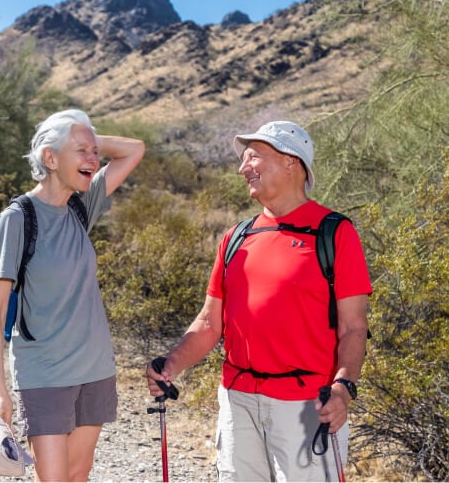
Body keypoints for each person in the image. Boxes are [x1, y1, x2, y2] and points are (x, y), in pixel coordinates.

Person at [146, 120, 371, 481]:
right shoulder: (236, 238)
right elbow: (209, 323)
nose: (242, 167)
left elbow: (353, 327)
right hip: (238, 402)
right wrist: (171, 364)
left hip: (306, 405)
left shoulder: (335, 233)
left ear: (291, 161)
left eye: (253, 157)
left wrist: (343, 388)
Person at [0, 109, 145, 482]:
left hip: (94, 367)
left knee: (79, 473)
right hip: (45, 372)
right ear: (50, 159)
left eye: (94, 152)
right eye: (81, 152)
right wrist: (0, 395)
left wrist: (84, 139)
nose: (94, 160)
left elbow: (134, 150)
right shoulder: (18, 218)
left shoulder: (80, 206)